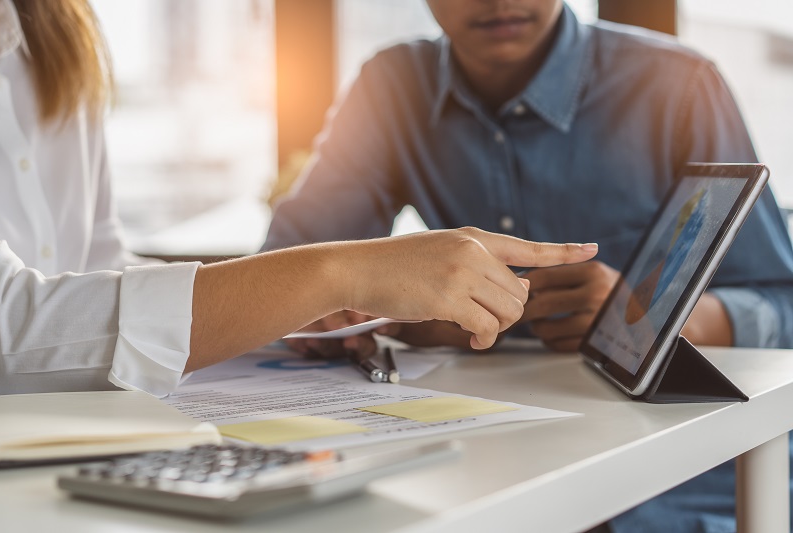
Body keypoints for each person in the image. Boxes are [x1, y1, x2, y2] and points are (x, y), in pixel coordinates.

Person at [262, 0, 793, 531]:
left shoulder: (678, 83)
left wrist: (645, 319)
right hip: (482, 470)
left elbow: (781, 305)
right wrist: (381, 306)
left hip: (679, 484)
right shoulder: (392, 84)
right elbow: (283, 276)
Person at [0, 0, 599, 397]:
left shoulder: (54, 34)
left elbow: (95, 266)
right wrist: (327, 278)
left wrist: (277, 301)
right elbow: (11, 331)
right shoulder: (393, 82)